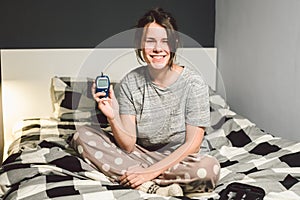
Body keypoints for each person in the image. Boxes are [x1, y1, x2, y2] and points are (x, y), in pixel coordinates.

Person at [71, 7, 220, 196]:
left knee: (209, 168)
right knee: (82, 135)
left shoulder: (194, 83)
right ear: (141, 45)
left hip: (182, 158)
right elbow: (128, 145)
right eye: (150, 41)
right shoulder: (129, 83)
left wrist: (148, 172)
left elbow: (193, 145)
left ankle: (136, 178)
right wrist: (112, 117)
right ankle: (151, 186)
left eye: (165, 41)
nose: (158, 48)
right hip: (141, 155)